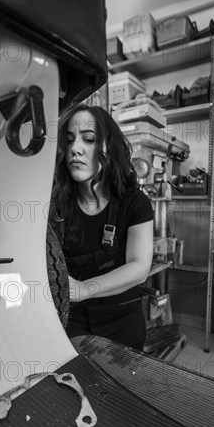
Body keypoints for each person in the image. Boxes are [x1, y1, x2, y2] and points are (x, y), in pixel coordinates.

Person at [49, 104, 154, 350]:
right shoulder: (55, 207)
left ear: (108, 147)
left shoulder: (135, 202)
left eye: (88, 139)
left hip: (122, 324)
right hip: (71, 325)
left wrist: (84, 288)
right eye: (70, 140)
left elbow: (139, 267)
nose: (76, 148)